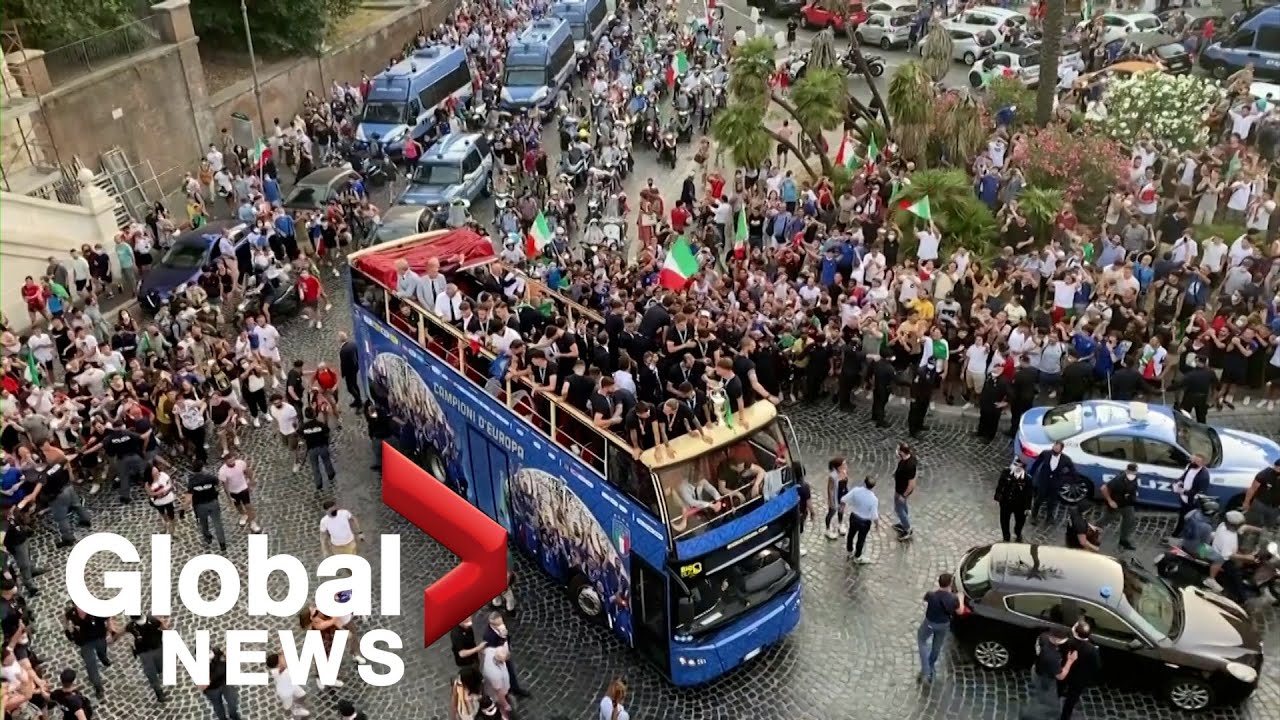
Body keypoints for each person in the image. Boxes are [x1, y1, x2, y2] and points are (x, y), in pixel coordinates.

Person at [916, 572, 965, 683]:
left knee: (922, 640)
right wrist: (960, 598)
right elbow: (960, 611)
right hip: (943, 625)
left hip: (929, 623)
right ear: (950, 584)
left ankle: (926, 669)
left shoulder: (931, 595)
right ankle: (931, 664)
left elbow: (925, 598)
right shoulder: (953, 599)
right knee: (937, 645)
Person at [62, 605, 118, 698]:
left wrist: (111, 630)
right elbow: (66, 619)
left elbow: (108, 617)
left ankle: (103, 657)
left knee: (102, 650)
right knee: (91, 665)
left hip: (99, 636)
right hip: (85, 642)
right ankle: (98, 687)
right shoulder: (72, 613)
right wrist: (67, 630)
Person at [1020, 629, 1076, 720]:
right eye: (1064, 640)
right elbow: (1060, 676)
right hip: (1045, 679)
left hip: (1037, 668)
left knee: (1042, 696)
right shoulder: (1052, 657)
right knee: (1048, 702)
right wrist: (1070, 661)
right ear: (1057, 640)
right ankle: (1029, 715)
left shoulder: (1043, 636)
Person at [1179, 496, 1225, 592]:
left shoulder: (1193, 513)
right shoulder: (1206, 527)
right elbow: (1205, 545)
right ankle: (1211, 579)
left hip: (1186, 540)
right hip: (1194, 548)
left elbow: (1185, 517)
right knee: (1220, 558)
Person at [1058, 620, 1101, 720]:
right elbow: (1097, 665)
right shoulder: (1092, 649)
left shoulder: (1067, 642)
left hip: (1066, 672)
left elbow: (1060, 654)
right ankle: (1065, 717)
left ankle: (1055, 700)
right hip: (1080, 678)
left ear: (1076, 633)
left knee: (1059, 688)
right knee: (1071, 700)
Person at [124, 613, 169, 703]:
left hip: (150, 649)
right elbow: (165, 628)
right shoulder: (152, 619)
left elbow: (122, 631)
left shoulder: (133, 625)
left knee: (157, 669)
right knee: (151, 673)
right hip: (150, 650)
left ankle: (158, 691)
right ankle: (159, 692)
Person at [1029, 442, 1076, 523]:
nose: (1055, 449)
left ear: (1061, 450)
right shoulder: (1045, 454)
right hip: (1044, 481)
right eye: (1054, 447)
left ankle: (1049, 517)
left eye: (1057, 448)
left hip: (1055, 483)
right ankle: (1034, 515)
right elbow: (1037, 463)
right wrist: (1031, 474)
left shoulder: (1066, 459)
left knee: (1052, 501)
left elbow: (1072, 471)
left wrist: (1064, 479)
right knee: (1039, 498)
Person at [185, 470, 228, 551]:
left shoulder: (192, 481)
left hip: (200, 505)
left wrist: (183, 509)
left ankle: (207, 537)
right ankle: (222, 543)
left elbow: (189, 497)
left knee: (203, 522)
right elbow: (218, 483)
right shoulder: (209, 477)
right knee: (217, 523)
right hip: (213, 502)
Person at [1100, 463, 1139, 551]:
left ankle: (1123, 541)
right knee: (1105, 520)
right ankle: (1089, 532)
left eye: (1134, 472)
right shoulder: (1119, 479)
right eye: (1131, 471)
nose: (1133, 473)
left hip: (1127, 504)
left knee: (1129, 521)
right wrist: (1110, 501)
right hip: (1116, 504)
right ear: (1127, 471)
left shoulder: (1135, 478)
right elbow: (1103, 488)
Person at [1171, 453, 1211, 538]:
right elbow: (1184, 476)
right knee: (1182, 516)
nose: (1193, 462)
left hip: (1192, 501)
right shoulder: (1190, 467)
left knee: (1189, 518)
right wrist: (1179, 482)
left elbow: (1200, 491)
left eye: (1196, 461)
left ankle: (1183, 534)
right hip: (1184, 498)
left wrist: (1183, 492)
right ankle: (1178, 533)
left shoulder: (1204, 475)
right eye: (1193, 460)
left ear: (1202, 463)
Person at [841, 475, 879, 564]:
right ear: (873, 486)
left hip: (854, 517)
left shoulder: (856, 491)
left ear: (864, 482)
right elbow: (874, 515)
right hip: (865, 522)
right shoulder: (874, 499)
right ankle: (857, 556)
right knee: (861, 539)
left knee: (851, 534)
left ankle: (849, 551)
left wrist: (843, 506)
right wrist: (877, 525)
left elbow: (844, 499)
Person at [993, 458, 1033, 542]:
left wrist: (1028, 508)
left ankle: (1017, 532)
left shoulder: (1027, 479)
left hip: (1020, 505)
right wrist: (997, 498)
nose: (1016, 467)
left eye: (1019, 466)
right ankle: (1006, 536)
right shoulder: (1006, 472)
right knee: (1004, 521)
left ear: (1023, 468)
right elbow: (1000, 485)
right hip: (1006, 503)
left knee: (1020, 522)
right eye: (1015, 464)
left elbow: (1029, 494)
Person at [198, 647, 242, 720]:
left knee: (232, 701)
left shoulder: (217, 652)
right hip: (212, 689)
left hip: (225, 682)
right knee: (218, 706)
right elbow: (201, 686)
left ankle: (234, 716)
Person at [299, 408, 336, 492]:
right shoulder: (319, 424)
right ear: (314, 414)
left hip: (311, 449)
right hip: (322, 446)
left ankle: (318, 483)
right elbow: (327, 431)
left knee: (315, 466)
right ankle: (330, 475)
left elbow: (300, 434)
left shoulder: (304, 427)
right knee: (327, 461)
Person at [1242, 458, 1280, 529]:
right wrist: (1246, 502)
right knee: (1252, 525)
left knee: (1269, 529)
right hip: (1260, 504)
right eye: (1277, 468)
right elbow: (1253, 488)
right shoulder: (1265, 473)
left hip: (1274, 508)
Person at [892, 443, 917, 541]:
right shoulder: (906, 459)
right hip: (899, 488)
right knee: (902, 507)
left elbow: (912, 483)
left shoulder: (909, 466)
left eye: (899, 450)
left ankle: (907, 529)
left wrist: (904, 495)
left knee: (899, 509)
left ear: (902, 452)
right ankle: (903, 523)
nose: (897, 451)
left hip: (902, 491)